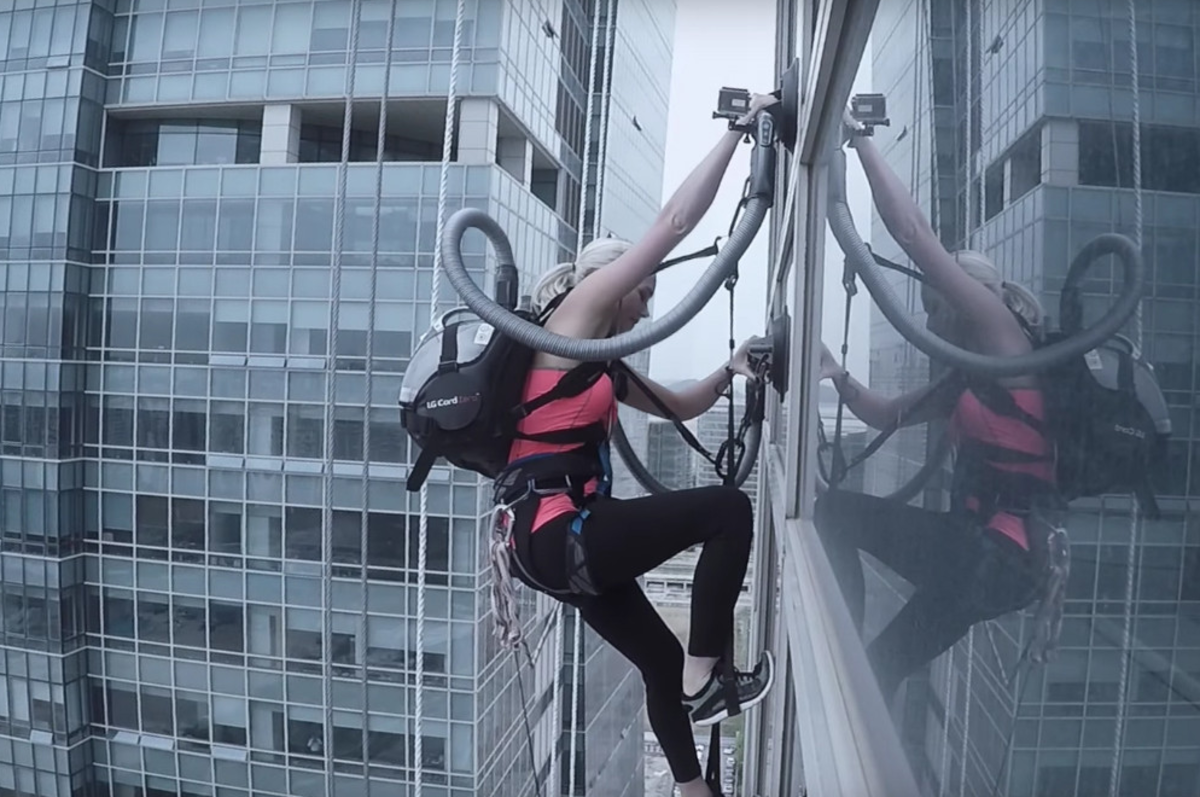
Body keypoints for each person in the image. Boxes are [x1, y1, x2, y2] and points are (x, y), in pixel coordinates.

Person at [499, 93, 779, 797]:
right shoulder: (577, 314)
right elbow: (675, 221)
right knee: (728, 511)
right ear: (615, 285)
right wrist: (738, 136)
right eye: (645, 292)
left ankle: (692, 789)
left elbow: (678, 405)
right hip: (560, 531)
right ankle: (706, 674)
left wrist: (733, 367)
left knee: (656, 658)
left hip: (549, 544)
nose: (650, 306)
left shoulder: (598, 359)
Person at [814, 110, 1059, 701]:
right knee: (883, 667)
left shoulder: (1005, 342)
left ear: (960, 299)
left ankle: (835, 645)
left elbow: (912, 235)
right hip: (992, 562)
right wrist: (833, 374)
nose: (925, 320)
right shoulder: (971, 375)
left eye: (931, 304)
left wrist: (862, 142)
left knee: (834, 514)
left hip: (997, 556)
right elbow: (886, 416)